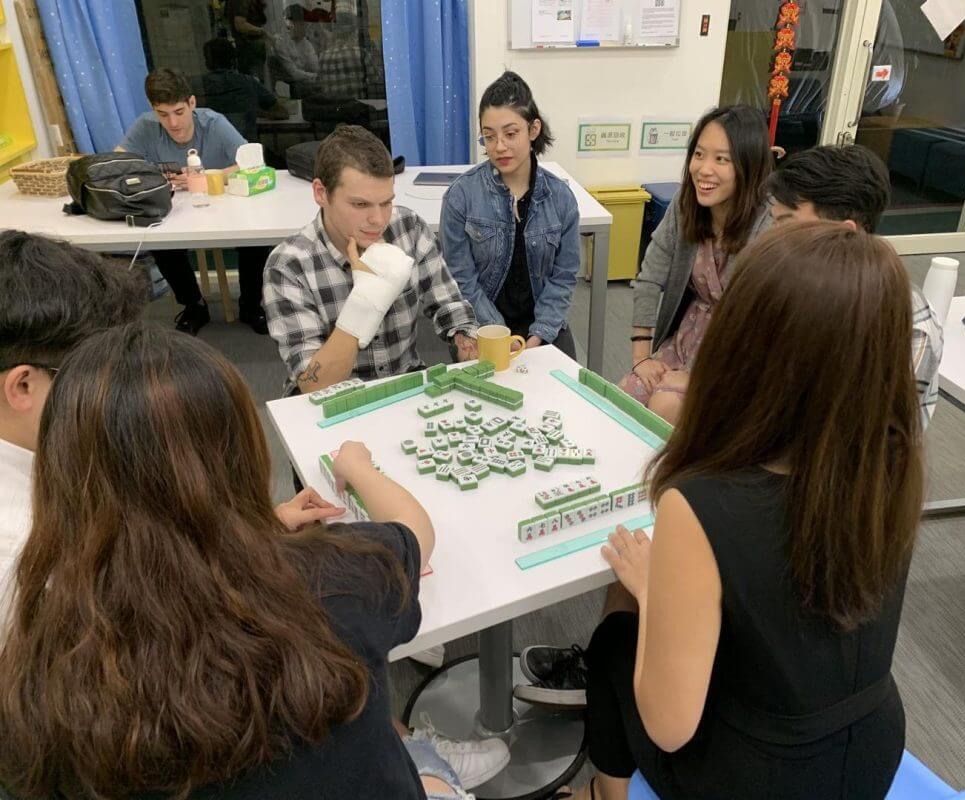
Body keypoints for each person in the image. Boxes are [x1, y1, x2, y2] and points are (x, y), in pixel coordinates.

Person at [0, 323, 507, 799]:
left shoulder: (38, 666)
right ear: (241, 454)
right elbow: (415, 532)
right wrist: (357, 465)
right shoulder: (334, 579)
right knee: (415, 761)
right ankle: (430, 763)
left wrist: (254, 527)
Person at [570, 222, 924, 800]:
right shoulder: (893, 457)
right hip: (870, 748)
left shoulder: (703, 502)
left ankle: (605, 794)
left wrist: (655, 592)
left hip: (755, 778)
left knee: (614, 638)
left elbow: (669, 724)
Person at [263, 124, 479, 397]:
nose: (378, 220)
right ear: (321, 193)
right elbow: (314, 383)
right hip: (333, 401)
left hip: (405, 388)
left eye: (386, 202)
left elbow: (448, 304)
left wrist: (467, 339)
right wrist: (365, 301)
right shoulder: (288, 265)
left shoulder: (408, 227)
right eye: (360, 205)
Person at [0, 231, 145, 624]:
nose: (112, 390)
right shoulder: (23, 564)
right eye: (96, 374)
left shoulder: (45, 449)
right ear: (23, 386)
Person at [764, 144, 943, 428]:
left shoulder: (907, 327)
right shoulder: (790, 280)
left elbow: (858, 441)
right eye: (774, 224)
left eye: (787, 225)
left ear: (845, 233)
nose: (773, 239)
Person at [619, 105, 774, 424]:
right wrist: (640, 357)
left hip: (737, 359)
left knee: (664, 407)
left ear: (749, 166)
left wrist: (695, 380)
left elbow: (765, 329)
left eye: (722, 159)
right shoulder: (685, 204)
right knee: (625, 396)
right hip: (686, 337)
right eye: (699, 154)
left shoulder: (768, 223)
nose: (704, 169)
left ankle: (670, 475)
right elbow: (649, 279)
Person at [118, 68, 270, 335]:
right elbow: (119, 163)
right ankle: (192, 305)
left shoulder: (214, 123)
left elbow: (252, 163)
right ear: (153, 110)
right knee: (162, 242)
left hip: (223, 202)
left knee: (254, 240)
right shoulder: (145, 127)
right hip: (175, 207)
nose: (173, 123)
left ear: (191, 103)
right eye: (162, 114)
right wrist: (153, 179)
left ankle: (250, 304)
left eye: (179, 112)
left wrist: (207, 177)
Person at [441, 71, 580, 359]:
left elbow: (564, 277)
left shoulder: (561, 199)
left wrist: (539, 333)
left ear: (533, 129)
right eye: (489, 137)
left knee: (564, 390)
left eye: (510, 133)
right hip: (482, 323)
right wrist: (496, 332)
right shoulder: (461, 196)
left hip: (543, 325)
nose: (499, 146)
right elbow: (460, 278)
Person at [193, 37, 289, 143]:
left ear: (207, 62)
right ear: (234, 60)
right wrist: (256, 112)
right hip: (246, 152)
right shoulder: (248, 82)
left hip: (208, 153)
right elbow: (282, 113)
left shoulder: (197, 85)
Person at [270, 4, 320, 96]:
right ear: (289, 23)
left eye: (305, 24)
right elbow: (293, 74)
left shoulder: (305, 42)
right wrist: (315, 76)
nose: (305, 28)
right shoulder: (280, 42)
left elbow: (315, 66)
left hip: (304, 84)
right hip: (287, 88)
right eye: (301, 24)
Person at [227, 0, 270, 81]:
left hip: (252, 47)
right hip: (248, 47)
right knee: (254, 82)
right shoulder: (241, 2)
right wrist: (263, 32)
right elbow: (240, 25)